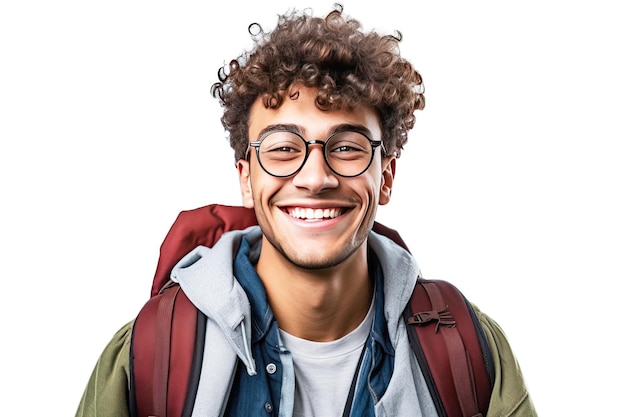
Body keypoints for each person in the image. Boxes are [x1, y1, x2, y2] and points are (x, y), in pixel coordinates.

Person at [75, 5, 537, 417]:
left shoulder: (468, 348)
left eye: (347, 147)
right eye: (282, 148)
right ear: (245, 177)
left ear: (387, 175)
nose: (315, 178)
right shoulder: (147, 354)